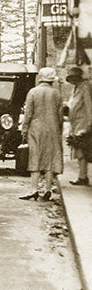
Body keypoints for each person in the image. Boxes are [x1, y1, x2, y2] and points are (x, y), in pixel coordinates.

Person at [20, 67, 64, 201]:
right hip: (52, 128)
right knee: (50, 158)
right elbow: (60, 115)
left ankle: (34, 189)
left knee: (35, 156)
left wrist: (24, 129)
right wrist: (59, 130)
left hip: (36, 128)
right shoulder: (57, 94)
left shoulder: (33, 92)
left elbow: (28, 114)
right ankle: (48, 189)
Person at [67, 65, 92, 186]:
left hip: (83, 122)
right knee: (78, 150)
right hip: (76, 123)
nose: (71, 81)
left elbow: (89, 106)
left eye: (72, 78)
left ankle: (83, 177)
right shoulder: (76, 88)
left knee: (81, 150)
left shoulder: (84, 87)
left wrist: (90, 123)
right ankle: (81, 175)